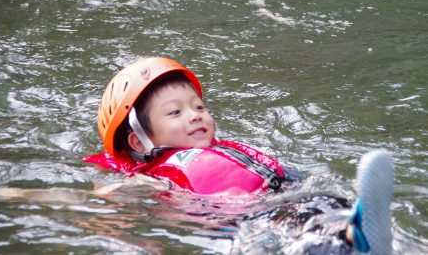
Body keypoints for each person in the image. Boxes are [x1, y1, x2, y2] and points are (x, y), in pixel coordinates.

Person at [83, 57, 394, 254]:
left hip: (288, 196)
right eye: (176, 112)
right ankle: (353, 236)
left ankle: (366, 235)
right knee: (305, 233)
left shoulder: (224, 149)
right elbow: (110, 198)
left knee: (326, 203)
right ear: (139, 141)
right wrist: (40, 198)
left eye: (199, 107)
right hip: (251, 218)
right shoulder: (149, 177)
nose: (195, 115)